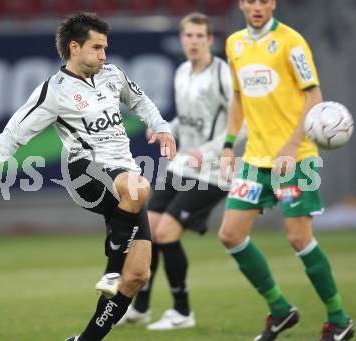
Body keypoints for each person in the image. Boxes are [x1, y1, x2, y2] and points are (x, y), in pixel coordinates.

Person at [0, 12, 176, 341]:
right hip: (85, 172)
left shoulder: (112, 76)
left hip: (123, 173)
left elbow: (140, 101)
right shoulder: (55, 90)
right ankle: (111, 266)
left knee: (137, 276)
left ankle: (86, 338)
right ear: (75, 47)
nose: (104, 55)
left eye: (106, 48)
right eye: (97, 48)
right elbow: (18, 129)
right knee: (138, 189)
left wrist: (161, 126)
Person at [218, 1, 354, 341]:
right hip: (256, 159)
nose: (257, 6)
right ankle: (280, 310)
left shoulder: (292, 42)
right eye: (251, 0)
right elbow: (238, 98)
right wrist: (227, 144)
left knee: (298, 237)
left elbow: (314, 96)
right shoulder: (234, 43)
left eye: (264, 0)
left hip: (296, 158)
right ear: (242, 4)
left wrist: (293, 146)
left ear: (273, 3)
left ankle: (339, 319)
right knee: (231, 235)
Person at [117, 12, 244, 330]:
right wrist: (167, 129)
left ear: (210, 40)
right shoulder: (182, 72)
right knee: (148, 232)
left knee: (165, 233)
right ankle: (141, 308)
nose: (194, 41)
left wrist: (211, 150)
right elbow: (187, 119)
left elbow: (243, 124)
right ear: (182, 38)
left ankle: (183, 312)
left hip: (213, 170)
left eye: (200, 36)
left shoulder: (224, 76)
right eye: (189, 35)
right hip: (181, 165)